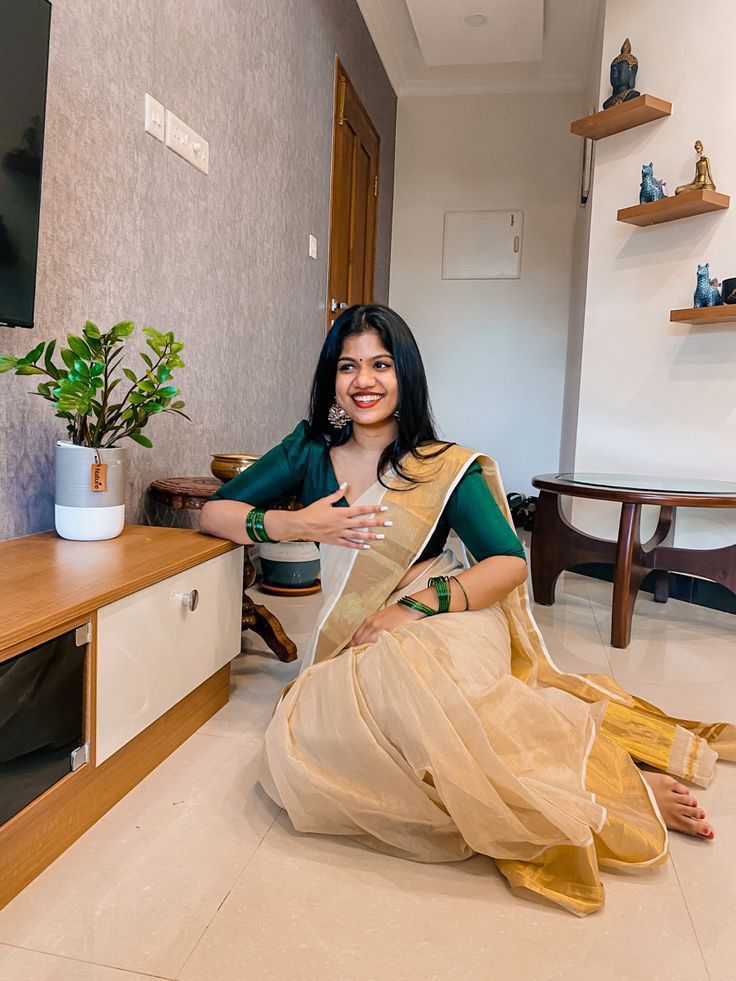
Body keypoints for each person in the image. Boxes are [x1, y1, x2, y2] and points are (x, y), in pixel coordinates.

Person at [200, 304, 735, 916]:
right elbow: (216, 511)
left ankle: (609, 784)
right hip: (347, 639)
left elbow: (507, 561)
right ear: (331, 380)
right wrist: (296, 521)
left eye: (381, 364)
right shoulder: (307, 451)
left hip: (440, 617)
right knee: (331, 743)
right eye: (348, 367)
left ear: (406, 375)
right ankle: (589, 781)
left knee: (420, 683)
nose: (364, 381)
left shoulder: (442, 465)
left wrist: (419, 607)